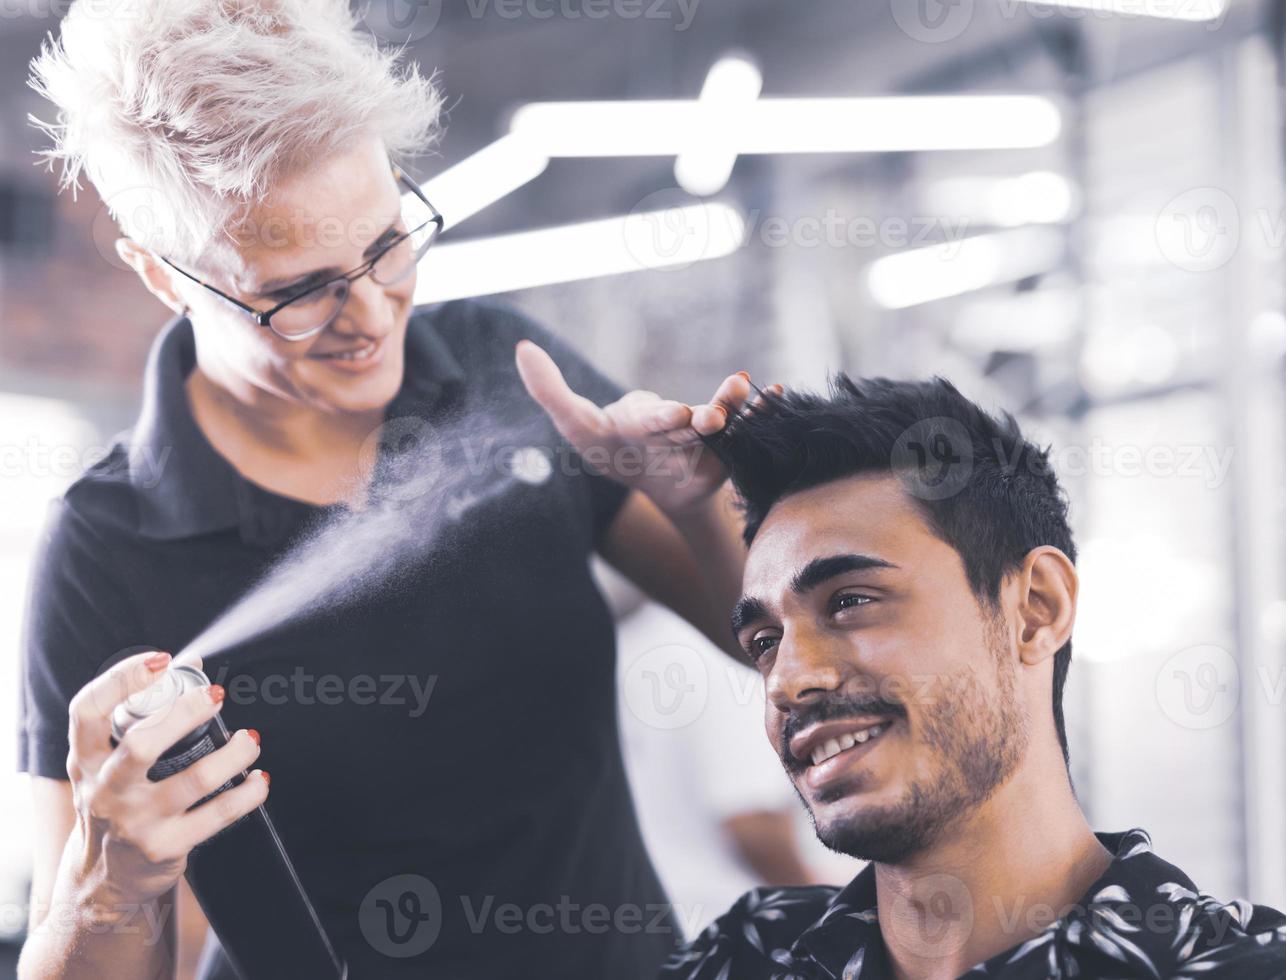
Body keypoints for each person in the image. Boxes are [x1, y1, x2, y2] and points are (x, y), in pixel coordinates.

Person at [17, 2, 752, 978]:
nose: (370, 314)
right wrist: (114, 881)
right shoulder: (108, 550)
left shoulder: (502, 370)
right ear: (162, 275)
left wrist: (704, 502)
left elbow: (764, 635)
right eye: (296, 291)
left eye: (387, 241)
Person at [660, 377, 1286, 980]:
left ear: (1037, 608)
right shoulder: (745, 954)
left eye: (850, 601)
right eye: (765, 642)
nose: (786, 682)